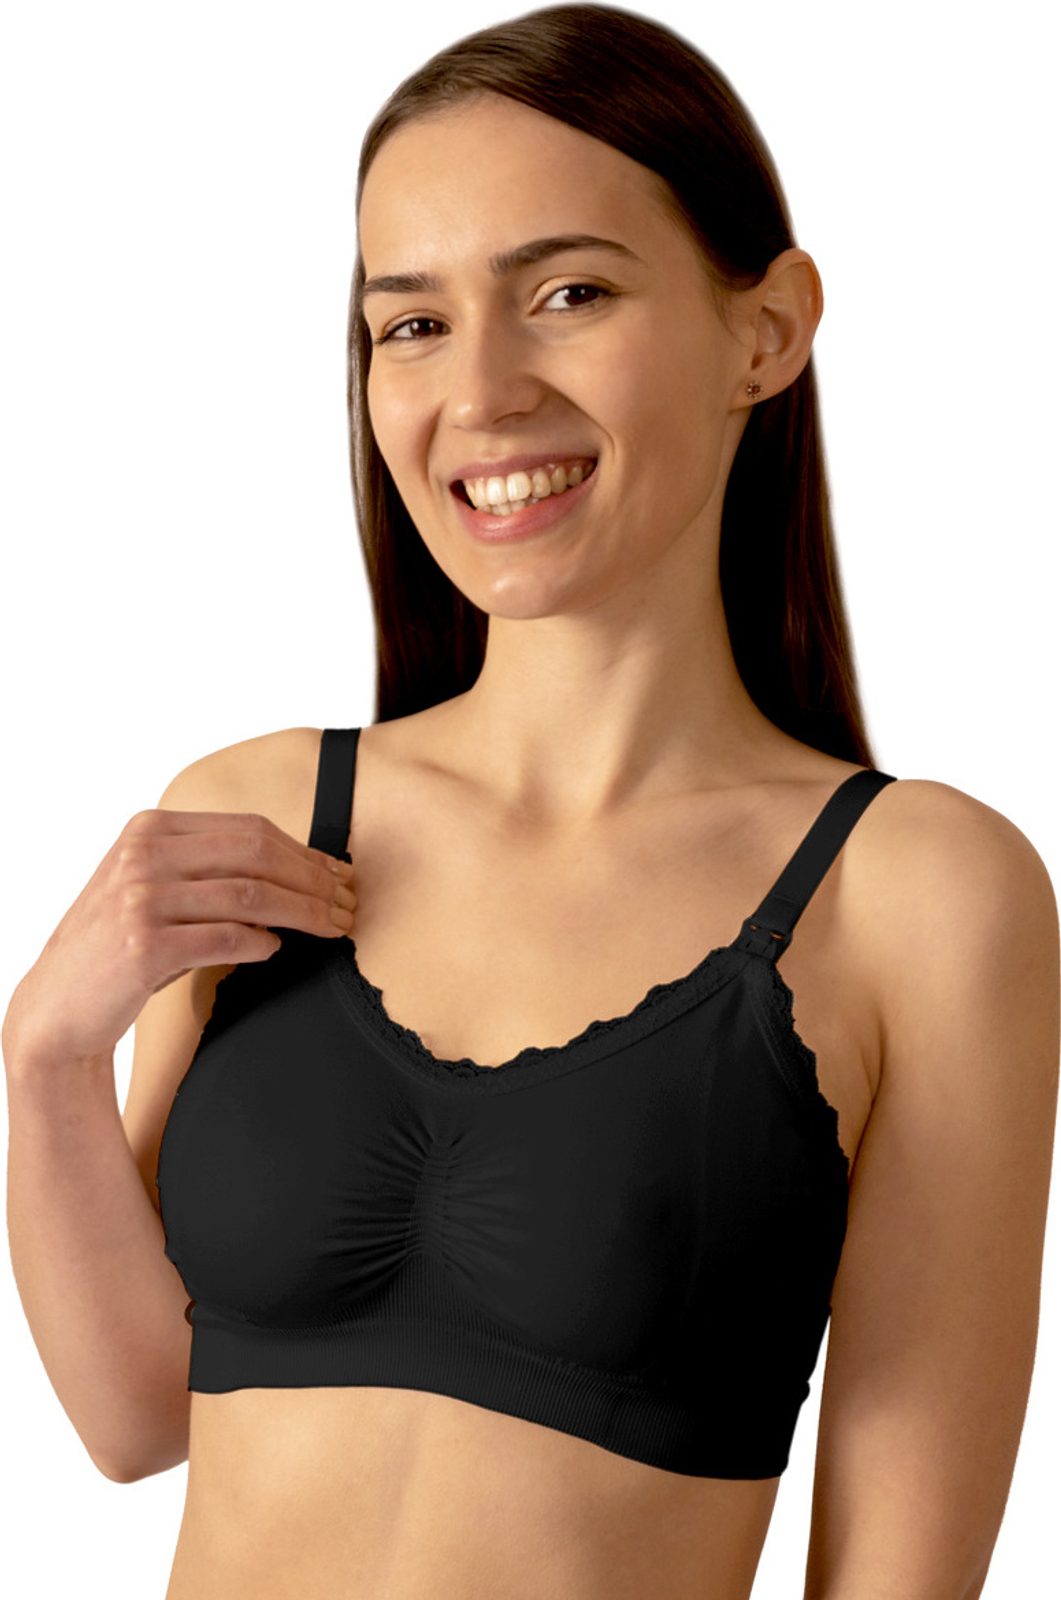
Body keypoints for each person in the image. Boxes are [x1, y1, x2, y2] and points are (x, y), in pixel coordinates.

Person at [4, 5, 1057, 1598]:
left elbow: (898, 1573)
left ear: (765, 332)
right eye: (412, 324)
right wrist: (44, 1059)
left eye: (568, 294)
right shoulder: (261, 815)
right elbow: (144, 1412)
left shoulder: (913, 889)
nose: (481, 391)